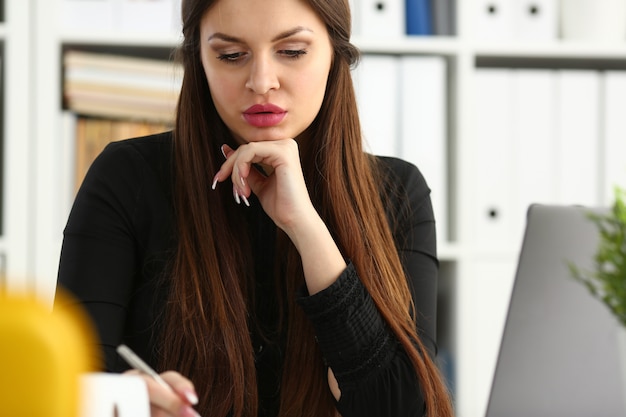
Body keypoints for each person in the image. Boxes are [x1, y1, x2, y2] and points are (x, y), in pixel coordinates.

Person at [56, 0, 455, 416]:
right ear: (199, 60)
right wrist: (125, 402)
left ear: (336, 53)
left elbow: (400, 409)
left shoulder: (396, 192)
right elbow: (66, 390)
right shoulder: (126, 178)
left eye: (292, 52)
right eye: (230, 55)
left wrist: (305, 227)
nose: (262, 81)